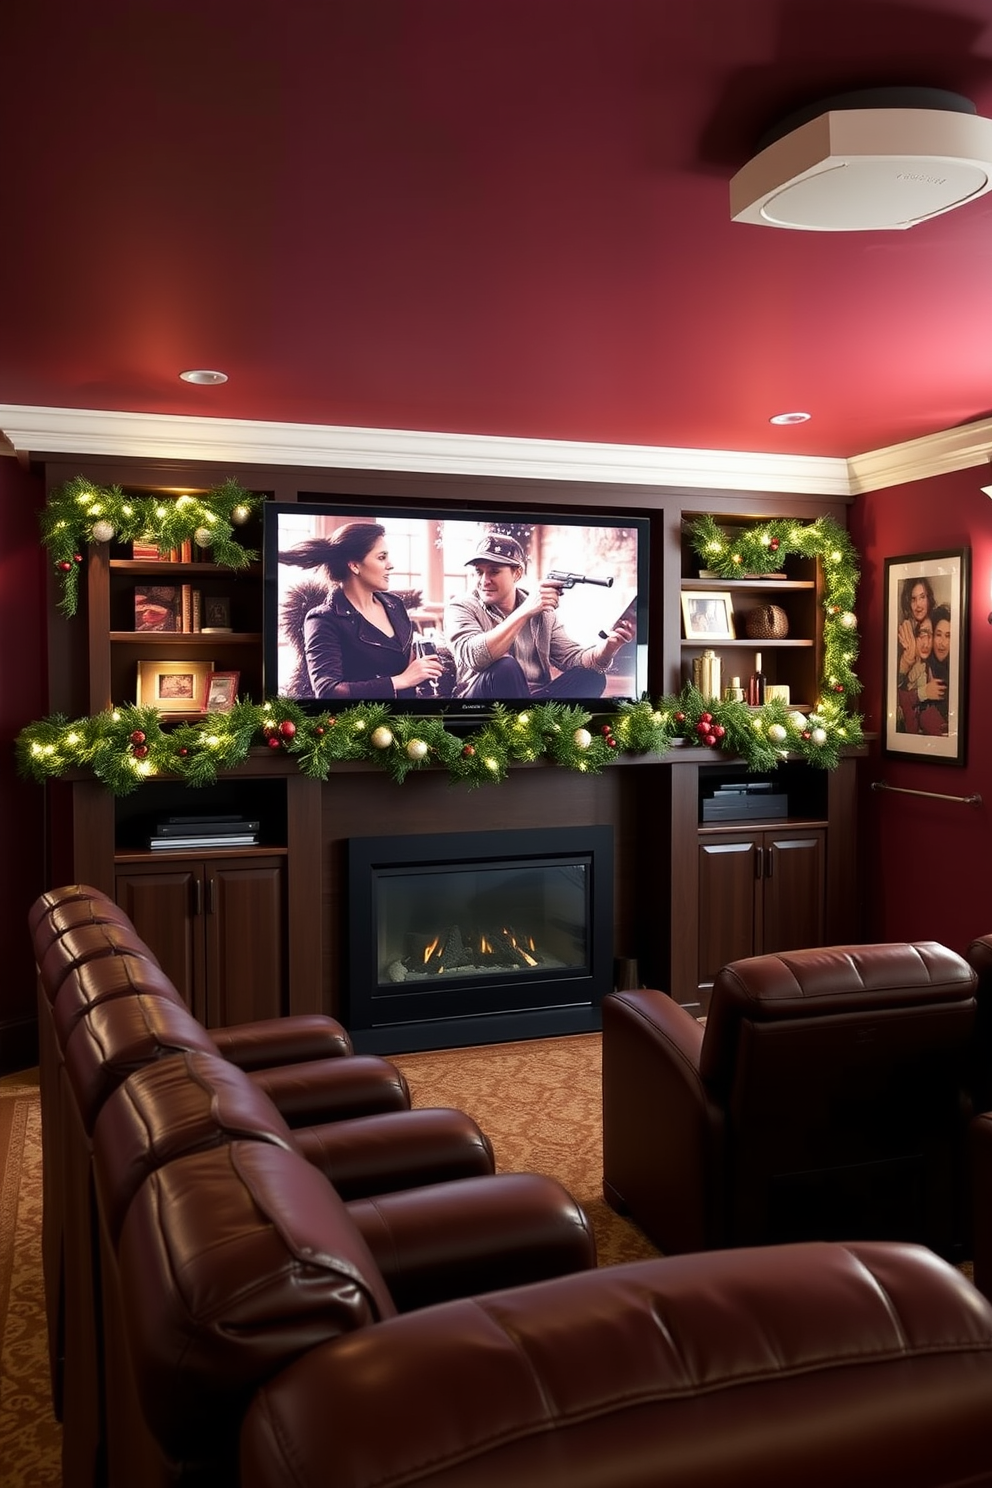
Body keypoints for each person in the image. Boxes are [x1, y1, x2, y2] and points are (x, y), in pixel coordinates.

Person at [444, 532, 634, 699]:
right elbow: (476, 657)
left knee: (591, 677)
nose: (484, 580)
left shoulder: (543, 614)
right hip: (481, 702)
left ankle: (534, 721)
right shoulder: (460, 607)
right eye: (479, 572)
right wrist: (526, 611)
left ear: (517, 573)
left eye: (494, 571)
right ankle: (537, 728)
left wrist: (608, 647)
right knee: (505, 667)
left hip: (535, 700)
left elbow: (573, 659)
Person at [279, 523, 444, 699]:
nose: (391, 565)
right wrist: (401, 680)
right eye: (381, 558)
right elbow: (328, 691)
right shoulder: (323, 619)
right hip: (359, 722)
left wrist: (421, 667)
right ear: (354, 566)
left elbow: (402, 662)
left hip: (408, 720)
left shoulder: (395, 605)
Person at [918, 603, 950, 736]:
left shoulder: (956, 671)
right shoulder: (922, 667)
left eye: (948, 636)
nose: (942, 643)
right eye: (938, 634)